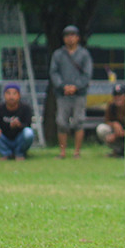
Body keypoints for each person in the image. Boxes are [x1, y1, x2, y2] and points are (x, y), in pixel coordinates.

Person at [49, 24, 93, 159]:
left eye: (73, 35)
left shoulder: (84, 54)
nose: (70, 38)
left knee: (78, 121)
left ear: (78, 38)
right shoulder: (58, 54)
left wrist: (76, 87)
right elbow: (53, 72)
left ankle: (76, 152)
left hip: (79, 94)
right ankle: (62, 152)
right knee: (61, 122)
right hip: (62, 94)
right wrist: (63, 86)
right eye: (67, 36)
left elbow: (87, 73)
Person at [0, 82, 34, 160]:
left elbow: (28, 125)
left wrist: (18, 125)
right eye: (8, 93)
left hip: (18, 139)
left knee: (28, 133)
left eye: (14, 94)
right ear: (4, 95)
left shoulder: (25, 108)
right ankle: (6, 153)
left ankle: (19, 153)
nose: (11, 96)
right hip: (4, 138)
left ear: (19, 95)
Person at [96, 83, 125, 157]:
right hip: (117, 135)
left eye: (120, 95)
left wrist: (119, 134)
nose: (118, 98)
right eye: (116, 95)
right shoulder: (111, 106)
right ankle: (118, 150)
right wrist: (114, 124)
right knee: (101, 129)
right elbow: (107, 121)